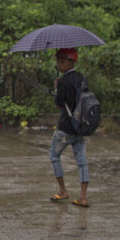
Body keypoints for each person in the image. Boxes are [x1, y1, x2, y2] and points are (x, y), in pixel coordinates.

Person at [48, 48, 91, 207]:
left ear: (72, 62)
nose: (59, 65)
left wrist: (57, 88)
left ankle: (62, 190)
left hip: (66, 127)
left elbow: (59, 104)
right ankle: (83, 196)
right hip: (80, 127)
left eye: (63, 61)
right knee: (81, 160)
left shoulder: (64, 81)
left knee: (53, 154)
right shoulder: (82, 78)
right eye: (58, 61)